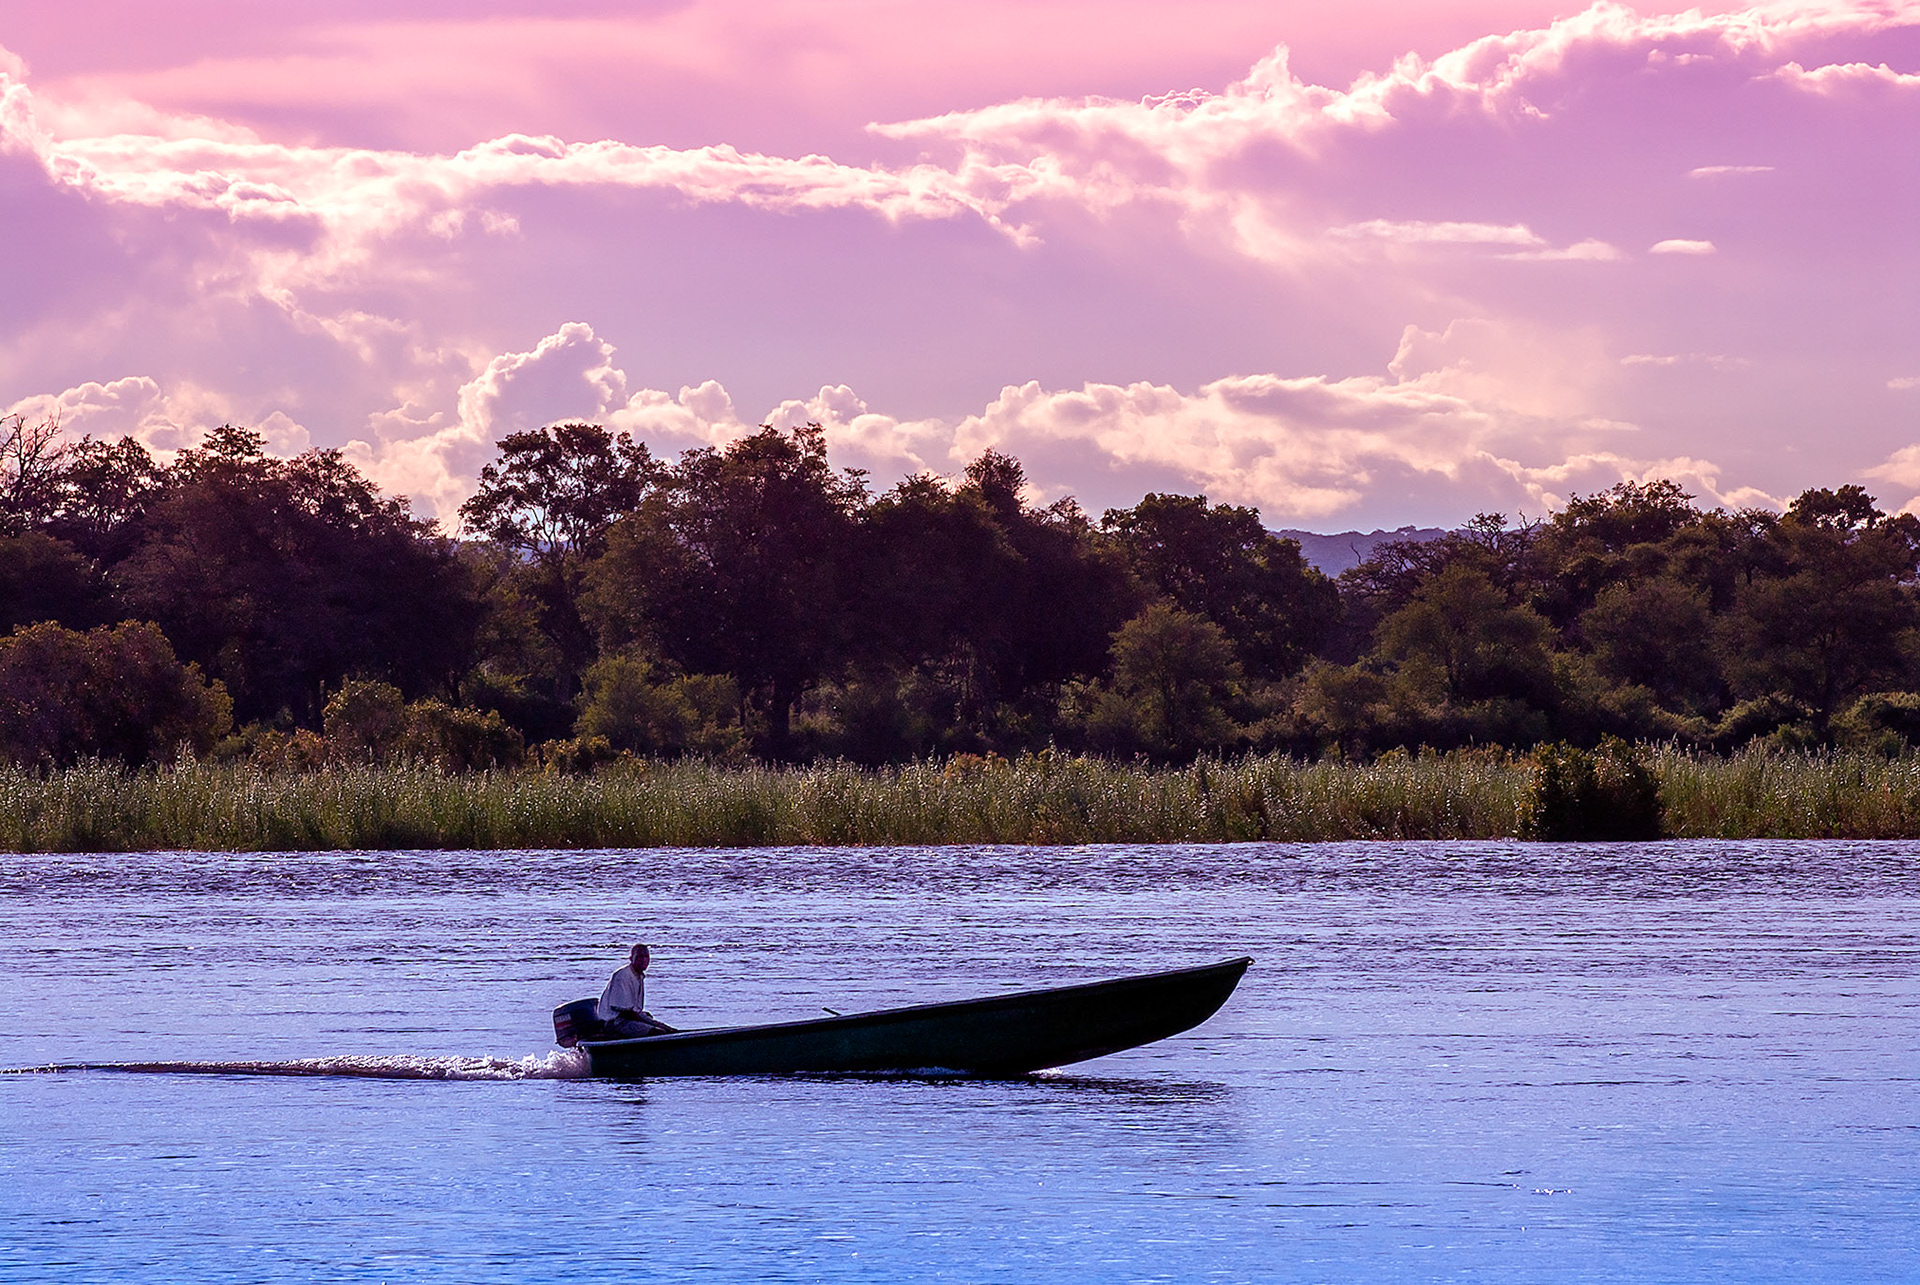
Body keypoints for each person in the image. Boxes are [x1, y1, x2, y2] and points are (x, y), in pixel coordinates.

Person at [598, 942, 676, 1037]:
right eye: (639, 957)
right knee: (658, 1032)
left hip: (627, 1018)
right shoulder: (623, 976)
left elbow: (636, 1012)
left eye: (646, 957)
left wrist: (664, 1026)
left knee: (654, 1022)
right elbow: (626, 1013)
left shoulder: (639, 976)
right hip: (615, 1022)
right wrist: (657, 1025)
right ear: (631, 959)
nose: (643, 960)